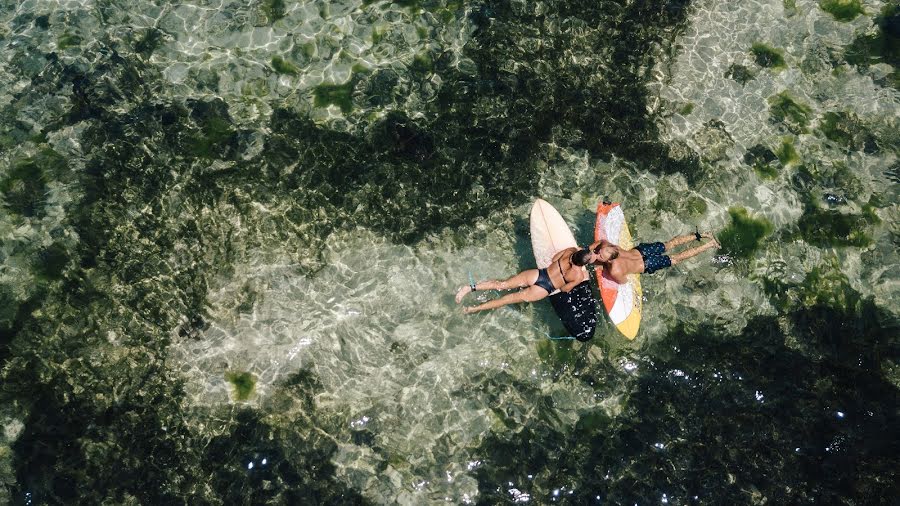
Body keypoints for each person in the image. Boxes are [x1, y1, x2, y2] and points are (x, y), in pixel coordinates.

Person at [456, 246, 596, 314]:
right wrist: (582, 277)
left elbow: (554, 259)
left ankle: (469, 288)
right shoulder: (578, 276)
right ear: (583, 264)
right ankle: (472, 309)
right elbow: (564, 289)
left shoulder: (569, 251)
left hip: (538, 274)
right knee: (506, 300)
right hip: (543, 289)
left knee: (502, 284)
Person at [590, 232, 719, 284]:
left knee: (676, 258)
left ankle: (710, 244)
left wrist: (603, 267)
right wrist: (592, 248)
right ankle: (704, 234)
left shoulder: (615, 271)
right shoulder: (610, 247)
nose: (597, 254)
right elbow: (602, 241)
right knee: (670, 244)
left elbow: (623, 282)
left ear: (609, 260)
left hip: (647, 264)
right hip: (642, 251)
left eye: (600, 254)